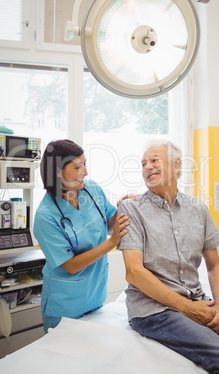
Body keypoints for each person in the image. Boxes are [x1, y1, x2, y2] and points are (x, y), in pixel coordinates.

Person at [117, 139, 219, 374]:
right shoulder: (131, 209)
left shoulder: (198, 209)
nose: (147, 167)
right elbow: (133, 272)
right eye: (143, 163)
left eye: (154, 160)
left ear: (177, 165)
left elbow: (214, 265)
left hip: (198, 300)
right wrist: (188, 308)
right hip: (153, 311)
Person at [34, 139, 131, 333]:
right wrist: (112, 243)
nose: (85, 172)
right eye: (78, 167)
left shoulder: (92, 189)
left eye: (85, 164)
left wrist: (122, 209)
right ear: (58, 171)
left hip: (95, 297)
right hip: (65, 307)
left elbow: (110, 224)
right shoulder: (45, 216)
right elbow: (71, 266)